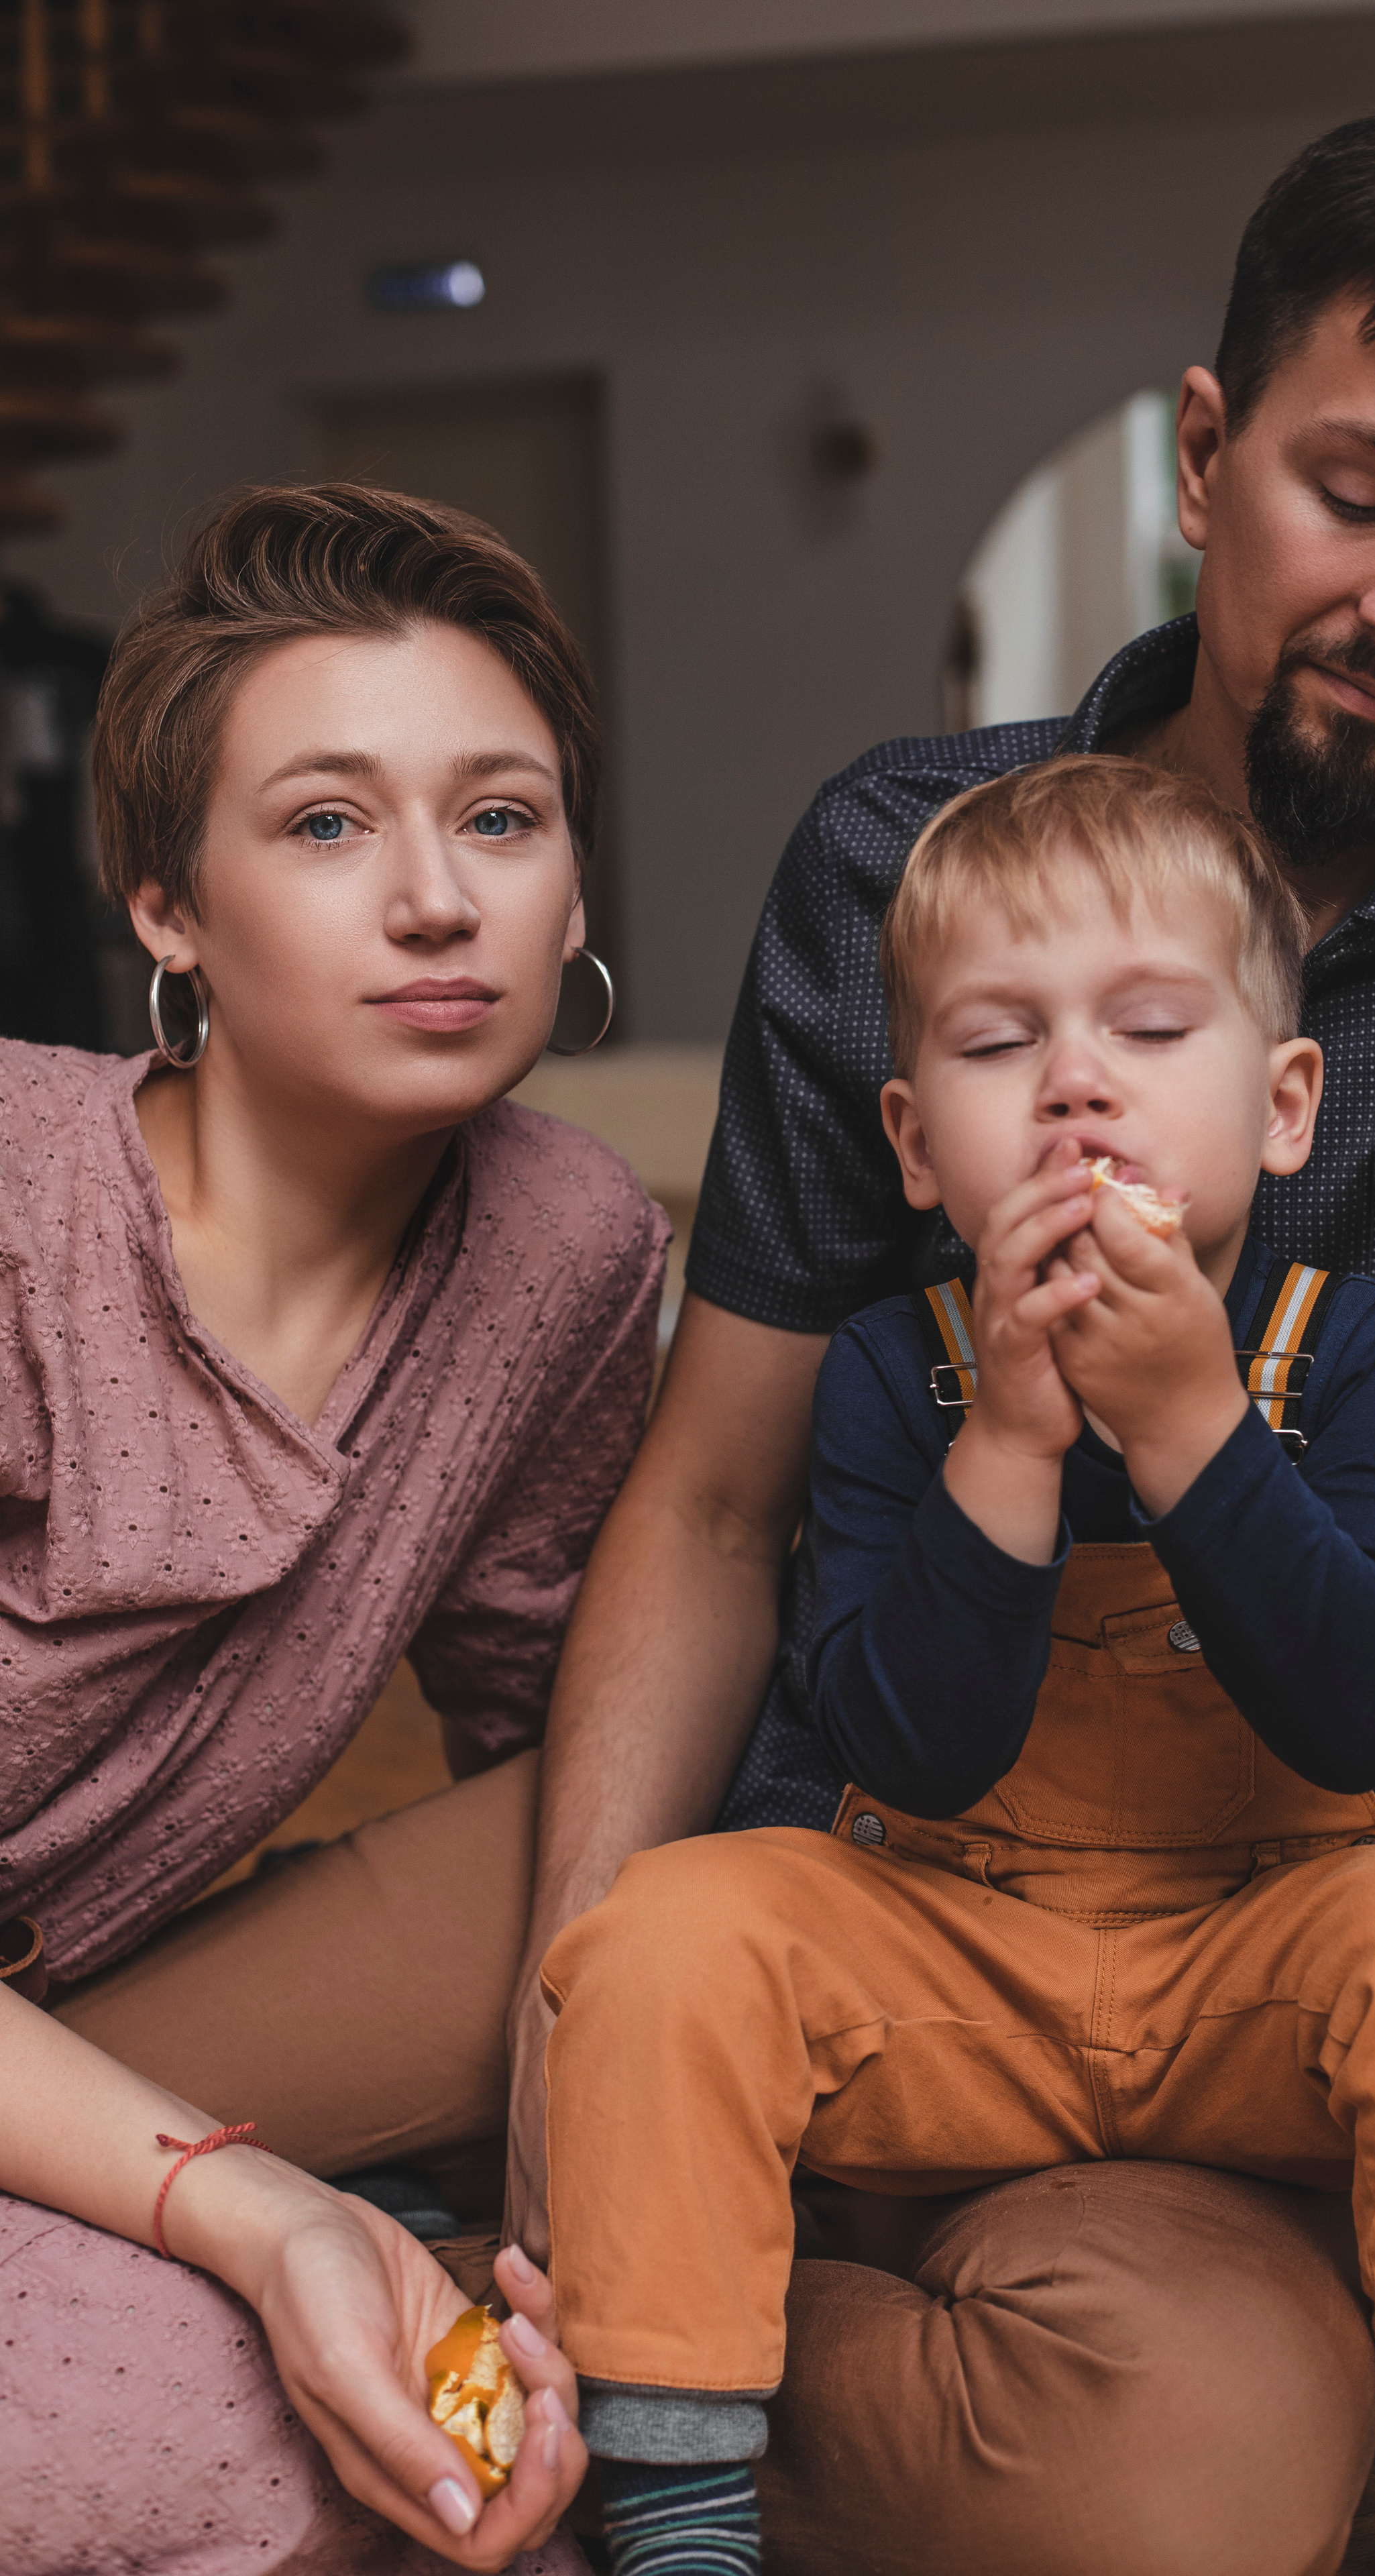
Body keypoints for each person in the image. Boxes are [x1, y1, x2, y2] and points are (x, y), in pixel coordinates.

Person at [503, 109, 1375, 2574]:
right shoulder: (899, 859)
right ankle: (589, 2341)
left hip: (1294, 1967)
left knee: (1174, 2487)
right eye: (1360, 493)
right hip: (881, 1890)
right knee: (587, 1989)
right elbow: (725, 1505)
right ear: (1201, 453)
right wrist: (559, 2064)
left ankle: (532, 2315)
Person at [541, 757, 1375, 2576]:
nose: (1075, 1084)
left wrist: (1197, 1431)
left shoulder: (1353, 1353)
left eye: (1146, 1025)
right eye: (995, 1044)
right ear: (909, 1141)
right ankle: (674, 2489)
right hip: (952, 1948)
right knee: (663, 1937)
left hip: (1252, 1965)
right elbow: (907, 1744)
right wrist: (1010, 1454)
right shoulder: (901, 1370)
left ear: (1283, 1107)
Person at [0, 480, 667, 2575]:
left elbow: (549, 1716)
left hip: (95, 2003)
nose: (436, 901)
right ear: (163, 909)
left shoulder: (562, 1245)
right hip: (114, 2073)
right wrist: (258, 2206)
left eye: (499, 817)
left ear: (573, 893)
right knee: (268, 2467)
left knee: (673, 1808)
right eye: (321, 824)